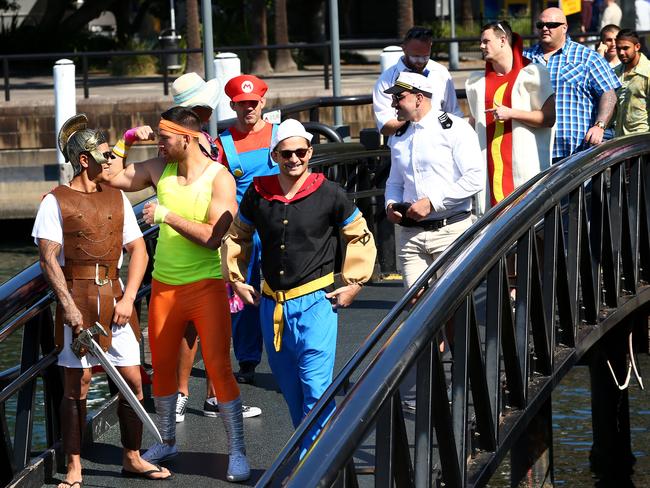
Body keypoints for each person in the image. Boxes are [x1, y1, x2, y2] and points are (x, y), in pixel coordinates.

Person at [100, 107, 250, 482]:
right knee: (163, 370)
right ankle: (166, 440)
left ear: (186, 137)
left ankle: (238, 452)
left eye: (164, 139)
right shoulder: (158, 168)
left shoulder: (220, 178)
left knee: (219, 367)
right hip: (165, 287)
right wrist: (128, 140)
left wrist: (165, 215)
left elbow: (212, 237)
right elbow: (111, 177)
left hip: (206, 287)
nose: (159, 144)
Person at [33, 114, 172, 487]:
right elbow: (48, 258)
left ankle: (132, 457)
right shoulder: (54, 202)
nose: (110, 160)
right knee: (75, 388)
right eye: (104, 154)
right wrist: (69, 307)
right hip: (77, 300)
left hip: (115, 299)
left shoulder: (116, 197)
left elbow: (138, 249)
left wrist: (128, 297)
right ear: (84, 160)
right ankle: (74, 466)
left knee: (133, 382)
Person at [221, 118, 377, 447]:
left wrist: (354, 283)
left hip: (317, 303)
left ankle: (313, 465)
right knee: (290, 388)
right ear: (274, 155)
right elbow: (238, 235)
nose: (294, 159)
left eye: (301, 152)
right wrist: (235, 278)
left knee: (316, 388)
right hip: (271, 305)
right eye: (287, 153)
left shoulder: (330, 192)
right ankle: (310, 453)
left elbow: (359, 235)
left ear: (310, 152)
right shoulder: (258, 192)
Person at [164, 73, 261, 423]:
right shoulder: (193, 141)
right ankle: (188, 393)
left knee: (211, 321)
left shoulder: (199, 139)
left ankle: (206, 394)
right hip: (203, 237)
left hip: (203, 234)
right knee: (200, 323)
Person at [384, 72, 484, 289]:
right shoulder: (398, 136)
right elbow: (395, 182)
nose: (393, 104)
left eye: (399, 97)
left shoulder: (455, 128)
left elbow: (475, 178)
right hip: (411, 234)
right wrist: (390, 205)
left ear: (419, 98)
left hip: (450, 231)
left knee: (451, 309)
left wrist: (432, 202)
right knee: (416, 305)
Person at [466, 21, 555, 215]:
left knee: (533, 230)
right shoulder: (477, 82)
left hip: (525, 172)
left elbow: (549, 118)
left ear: (503, 40)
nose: (481, 46)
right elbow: (473, 123)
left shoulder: (532, 73)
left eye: (486, 41)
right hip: (489, 172)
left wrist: (512, 113)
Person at [524, 7, 621, 161]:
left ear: (564, 28)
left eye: (551, 25)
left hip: (577, 154)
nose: (545, 28)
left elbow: (608, 93)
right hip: (534, 151)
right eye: (540, 25)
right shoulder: (525, 58)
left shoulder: (587, 57)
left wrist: (599, 126)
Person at [373, 26, 463, 137]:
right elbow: (385, 126)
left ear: (430, 47)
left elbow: (453, 114)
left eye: (425, 57)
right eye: (415, 57)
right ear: (404, 49)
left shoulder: (440, 73)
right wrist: (413, 115)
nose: (420, 62)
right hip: (402, 144)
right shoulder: (386, 79)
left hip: (438, 143)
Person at [613, 29, 650, 135]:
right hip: (619, 141)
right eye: (618, 49)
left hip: (642, 142)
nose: (621, 53)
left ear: (637, 47)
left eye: (625, 48)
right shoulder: (615, 72)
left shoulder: (647, 71)